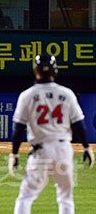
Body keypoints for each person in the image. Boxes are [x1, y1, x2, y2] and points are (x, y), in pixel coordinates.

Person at [8, 54, 94, 214]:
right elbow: (79, 124)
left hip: (40, 151)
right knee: (65, 198)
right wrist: (86, 147)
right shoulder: (67, 93)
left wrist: (14, 154)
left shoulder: (27, 95)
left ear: (35, 70)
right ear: (55, 71)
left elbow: (18, 128)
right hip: (63, 150)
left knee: (26, 196)